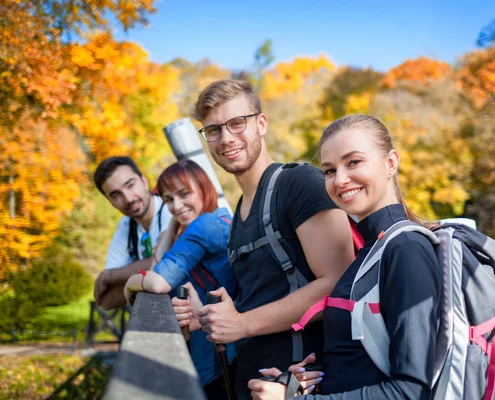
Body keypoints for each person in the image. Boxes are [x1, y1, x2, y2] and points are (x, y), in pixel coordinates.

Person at [173, 79, 355, 399]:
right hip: (253, 383)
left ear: (261, 123)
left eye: (236, 123)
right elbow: (261, 296)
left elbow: (340, 282)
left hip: (303, 386)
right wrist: (208, 318)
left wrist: (241, 324)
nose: (226, 137)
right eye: (213, 130)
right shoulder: (240, 213)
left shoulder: (299, 184)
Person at [248, 114, 443, 399]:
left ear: (391, 163)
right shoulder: (369, 251)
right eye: (328, 170)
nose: (340, 179)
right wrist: (302, 382)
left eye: (353, 162)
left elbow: (411, 391)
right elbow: (360, 363)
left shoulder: (406, 248)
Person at [123, 160, 238, 400]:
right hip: (223, 351)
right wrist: (176, 221)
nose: (176, 205)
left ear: (204, 188)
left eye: (184, 194)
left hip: (219, 359)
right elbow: (158, 267)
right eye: (168, 200)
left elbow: (157, 282)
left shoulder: (203, 226)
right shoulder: (220, 219)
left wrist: (129, 284)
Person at [93, 156, 172, 310]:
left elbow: (165, 264)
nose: (128, 199)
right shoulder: (126, 227)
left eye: (130, 185)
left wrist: (108, 276)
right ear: (110, 201)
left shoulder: (171, 211)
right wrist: (146, 276)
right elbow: (106, 301)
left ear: (144, 181)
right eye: (116, 195)